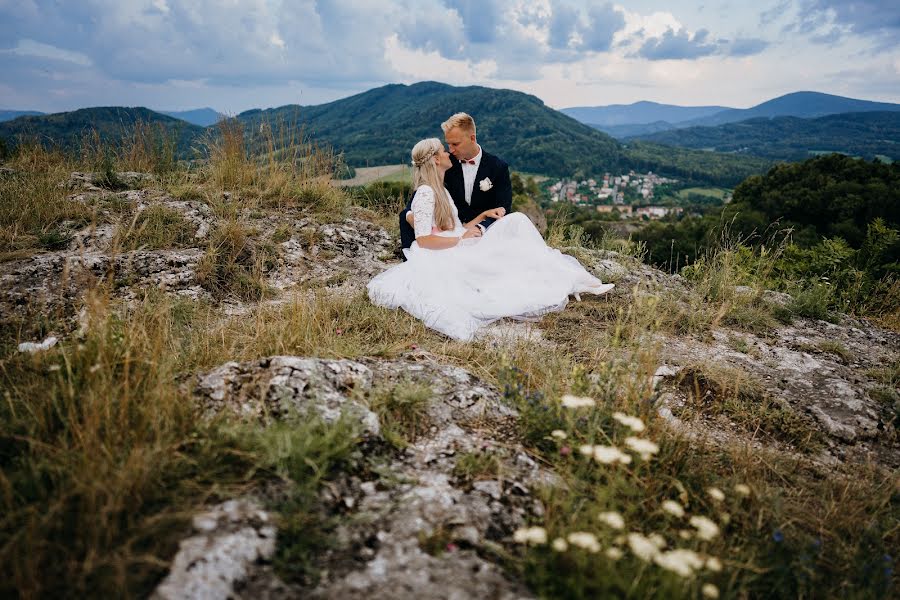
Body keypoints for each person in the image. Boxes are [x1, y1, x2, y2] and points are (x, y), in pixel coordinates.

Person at [368, 137, 614, 341]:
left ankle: (577, 280)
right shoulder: (425, 192)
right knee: (511, 236)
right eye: (444, 151)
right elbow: (424, 240)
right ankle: (571, 281)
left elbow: (454, 227)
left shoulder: (440, 190)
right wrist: (461, 239)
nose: (448, 154)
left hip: (455, 242)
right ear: (435, 159)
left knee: (515, 222)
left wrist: (483, 215)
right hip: (443, 253)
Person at [399, 113, 512, 255]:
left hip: (482, 230)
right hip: (451, 233)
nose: (450, 150)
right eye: (448, 144)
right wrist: (414, 218)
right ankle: (410, 259)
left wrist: (480, 227)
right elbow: (416, 200)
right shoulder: (446, 163)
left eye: (455, 144)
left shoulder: (498, 167)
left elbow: (504, 207)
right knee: (403, 215)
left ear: (472, 138)